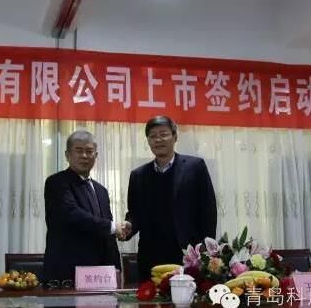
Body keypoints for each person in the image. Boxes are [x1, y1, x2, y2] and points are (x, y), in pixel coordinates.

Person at [119, 116, 217, 282]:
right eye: (153, 136)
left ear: (174, 137)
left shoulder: (195, 167)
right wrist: (129, 225)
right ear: (148, 141)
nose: (158, 140)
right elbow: (135, 214)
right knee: (151, 299)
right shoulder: (138, 175)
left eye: (163, 134)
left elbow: (208, 210)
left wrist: (205, 252)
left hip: (188, 255)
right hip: (151, 256)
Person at [43, 130, 121, 283]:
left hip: (101, 274)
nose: (84, 156)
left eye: (89, 151)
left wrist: (116, 268)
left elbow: (108, 236)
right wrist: (112, 227)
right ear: (67, 155)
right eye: (78, 151)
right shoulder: (57, 182)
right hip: (67, 272)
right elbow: (72, 214)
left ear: (96, 156)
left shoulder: (101, 191)